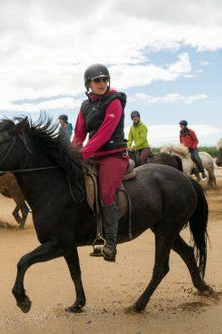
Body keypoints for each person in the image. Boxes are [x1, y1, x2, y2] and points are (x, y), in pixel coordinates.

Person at [72, 63, 129, 262]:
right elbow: (79, 134)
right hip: (94, 154)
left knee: (106, 192)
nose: (102, 83)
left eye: (105, 79)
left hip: (113, 154)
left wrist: (84, 153)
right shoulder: (85, 106)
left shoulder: (114, 100)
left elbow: (105, 133)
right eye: (98, 80)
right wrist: (71, 154)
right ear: (88, 84)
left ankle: (111, 243)